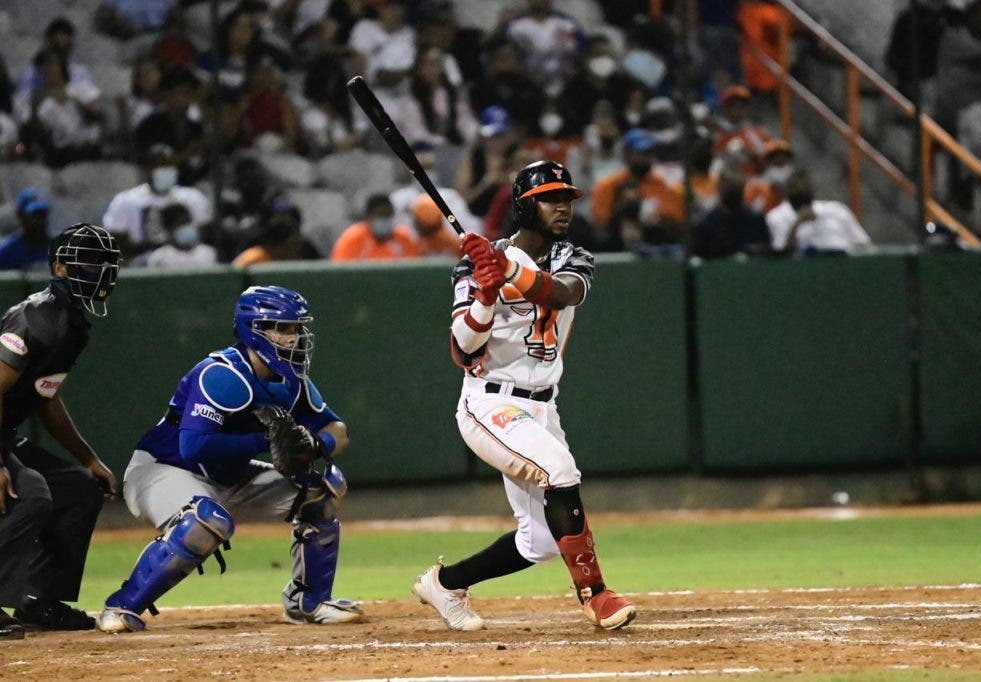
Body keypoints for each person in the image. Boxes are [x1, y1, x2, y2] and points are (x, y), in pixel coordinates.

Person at [413, 160, 636, 632]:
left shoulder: (573, 257)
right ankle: (597, 596)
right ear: (524, 204)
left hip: (541, 404)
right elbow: (462, 348)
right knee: (559, 470)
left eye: (567, 198)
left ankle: (445, 583)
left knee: (540, 542)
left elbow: (563, 294)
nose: (562, 207)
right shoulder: (476, 261)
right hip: (490, 403)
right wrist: (486, 295)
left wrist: (508, 269)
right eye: (550, 198)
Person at [97, 285, 362, 632]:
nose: (292, 338)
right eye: (282, 328)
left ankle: (306, 602)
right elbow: (194, 447)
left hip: (227, 477)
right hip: (164, 469)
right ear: (254, 330)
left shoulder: (292, 381)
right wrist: (264, 439)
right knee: (205, 521)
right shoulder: (222, 374)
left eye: (296, 329)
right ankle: (120, 607)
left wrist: (315, 443)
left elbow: (338, 429)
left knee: (324, 488)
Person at [0, 224, 122, 639]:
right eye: (89, 261)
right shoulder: (34, 316)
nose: (100, 270)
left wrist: (89, 459)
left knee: (79, 489)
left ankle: (41, 601)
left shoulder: (71, 324)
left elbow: (45, 398)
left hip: (5, 434)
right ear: (59, 267)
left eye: (106, 261)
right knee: (30, 493)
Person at [103, 143, 212, 258]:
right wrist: (159, 246)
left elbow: (205, 234)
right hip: (143, 260)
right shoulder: (125, 201)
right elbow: (117, 243)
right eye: (161, 165)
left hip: (188, 258)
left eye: (170, 165)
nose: (167, 170)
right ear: (147, 168)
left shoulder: (193, 197)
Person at [766, 169, 873, 254]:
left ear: (812, 189)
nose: (800, 190)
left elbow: (864, 244)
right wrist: (797, 223)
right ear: (787, 191)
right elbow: (782, 254)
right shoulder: (776, 216)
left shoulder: (837, 210)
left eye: (805, 187)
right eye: (795, 187)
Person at [330, 194, 421, 261]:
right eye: (380, 215)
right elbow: (340, 271)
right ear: (368, 216)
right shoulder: (351, 239)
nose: (384, 219)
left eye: (388, 215)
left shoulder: (404, 238)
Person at [143, 203, 218, 268]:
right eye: (181, 224)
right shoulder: (159, 258)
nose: (187, 227)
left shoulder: (208, 253)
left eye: (188, 222)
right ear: (168, 229)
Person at [0, 189, 52, 270]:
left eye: (42, 215)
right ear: (21, 216)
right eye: (34, 215)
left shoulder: (56, 250)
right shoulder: (7, 252)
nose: (40, 221)